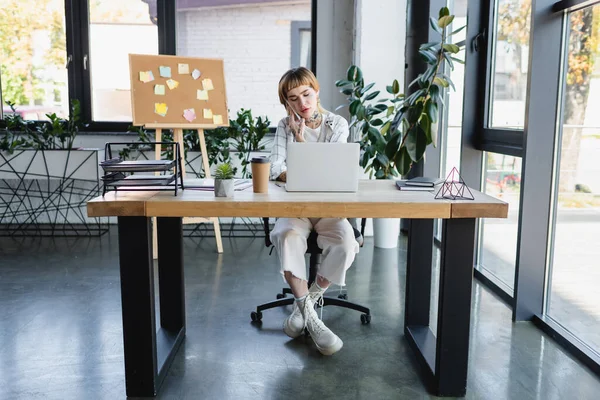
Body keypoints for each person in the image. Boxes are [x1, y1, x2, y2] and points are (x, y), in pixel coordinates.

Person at [268, 67, 359, 356]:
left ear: (316, 91)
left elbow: (329, 169)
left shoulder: (337, 124)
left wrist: (302, 149)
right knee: (286, 234)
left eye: (306, 94)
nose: (302, 103)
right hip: (295, 207)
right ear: (287, 103)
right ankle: (313, 317)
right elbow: (275, 168)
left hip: (329, 206)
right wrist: (297, 140)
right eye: (293, 99)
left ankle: (306, 304)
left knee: (346, 242)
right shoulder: (285, 126)